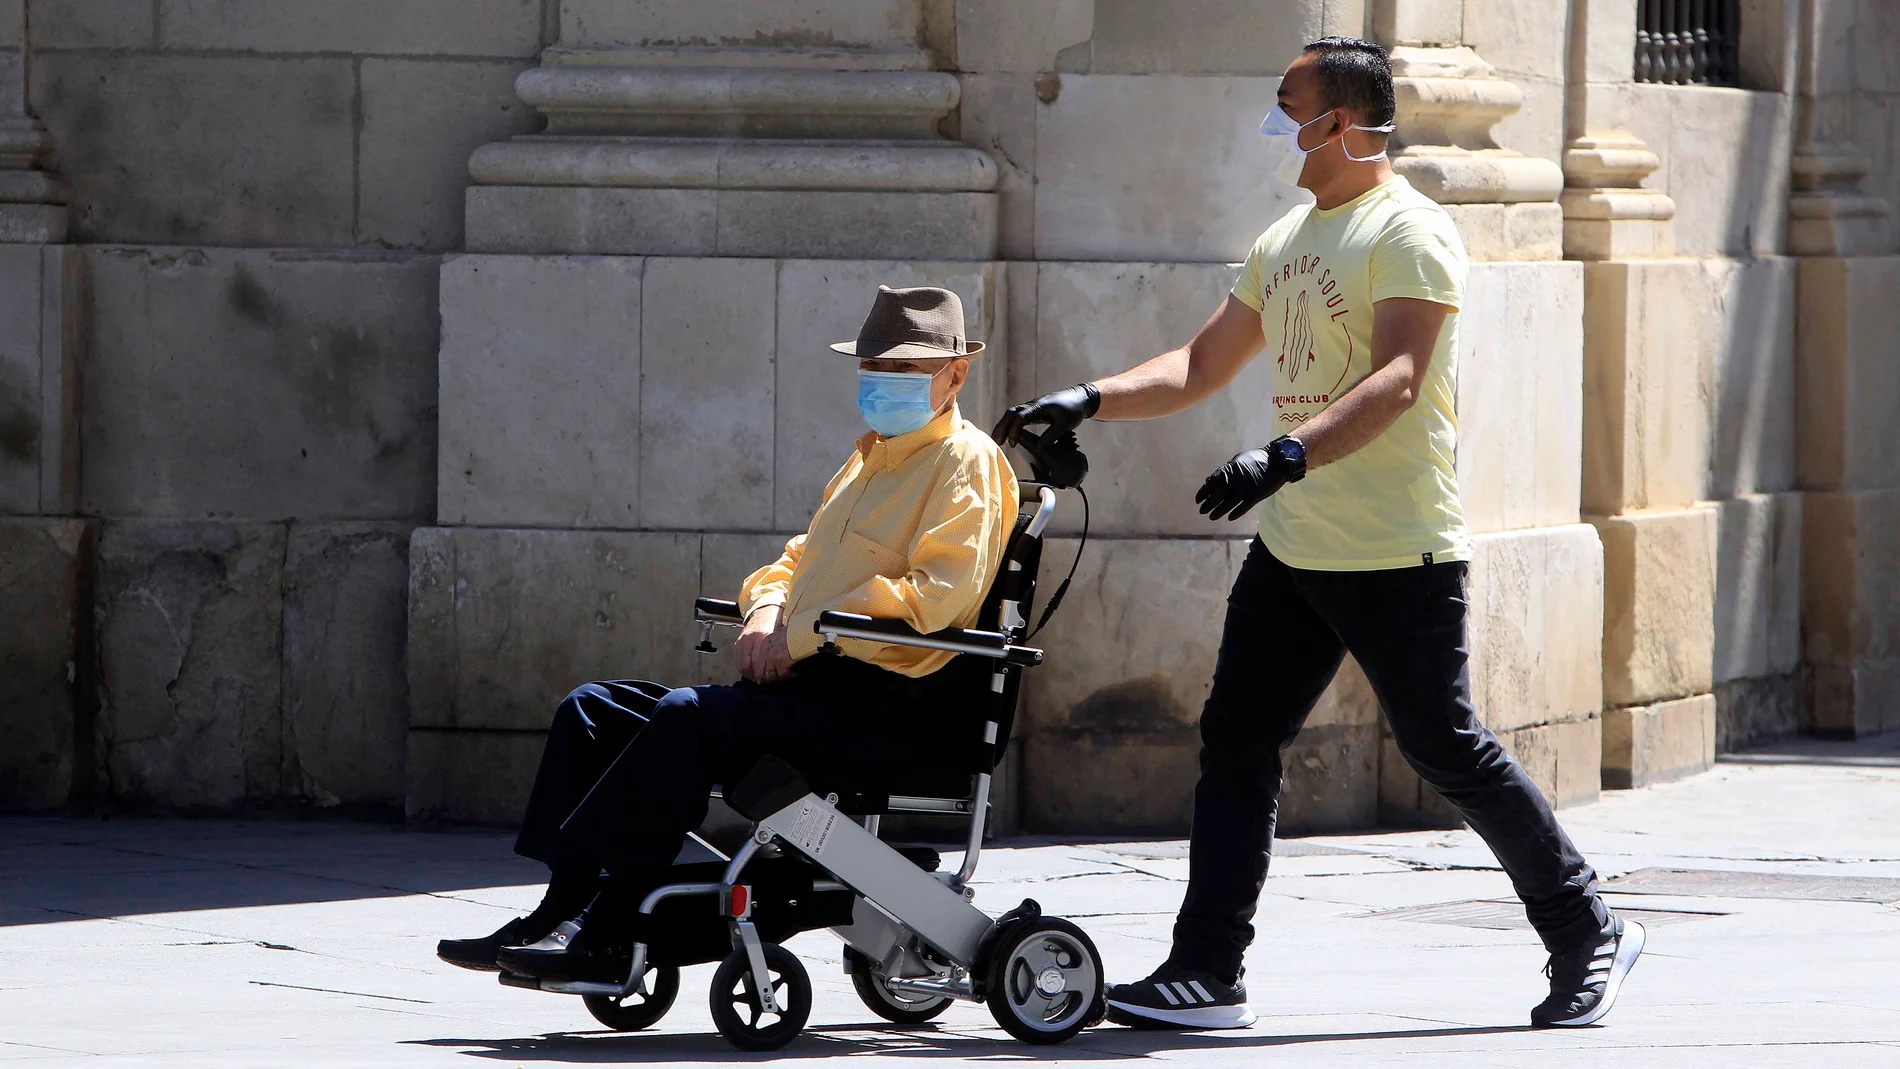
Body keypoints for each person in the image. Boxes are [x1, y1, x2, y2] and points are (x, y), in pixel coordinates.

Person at [993, 37, 1642, 1030]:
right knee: (1237, 740)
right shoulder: (1289, 235)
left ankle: (1585, 925)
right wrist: (1085, 401)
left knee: (1443, 746)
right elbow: (1201, 364)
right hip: (1296, 548)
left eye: (1286, 101)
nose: (1274, 117)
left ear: (1336, 122)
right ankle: (1207, 969)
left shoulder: (1408, 231)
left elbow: (1397, 379)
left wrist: (1282, 456)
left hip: (1395, 546)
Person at [436, 285, 1017, 983]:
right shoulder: (868, 459)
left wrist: (799, 634)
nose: (883, 381)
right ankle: (561, 906)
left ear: (955, 374)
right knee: (594, 708)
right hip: (811, 688)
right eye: (874, 367)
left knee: (687, 718)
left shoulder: (966, 460)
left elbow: (937, 600)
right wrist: (767, 612)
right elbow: (796, 559)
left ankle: (610, 917)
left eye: (904, 369)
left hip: (881, 707)